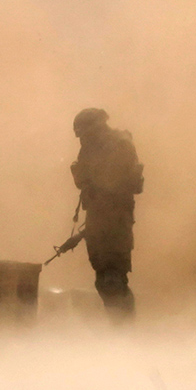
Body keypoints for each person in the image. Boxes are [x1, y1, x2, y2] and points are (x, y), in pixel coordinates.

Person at [63, 108, 144, 321]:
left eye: (83, 133)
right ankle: (121, 330)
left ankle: (124, 332)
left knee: (112, 280)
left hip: (114, 221)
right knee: (104, 280)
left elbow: (113, 188)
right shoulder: (93, 148)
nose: (82, 139)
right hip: (101, 219)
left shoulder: (118, 146)